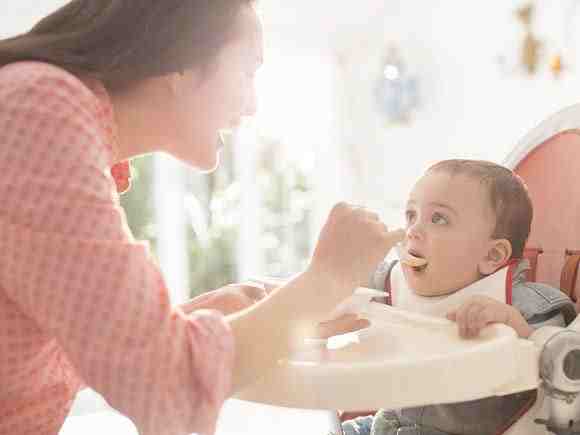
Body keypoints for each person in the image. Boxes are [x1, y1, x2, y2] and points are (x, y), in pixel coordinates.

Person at [0, 2, 405, 435]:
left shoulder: (38, 108)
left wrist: (196, 320)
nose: (251, 105)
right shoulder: (37, 110)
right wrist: (323, 280)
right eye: (248, 72)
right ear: (182, 61)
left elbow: (74, 353)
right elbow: (165, 389)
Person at [317, 160, 576, 435]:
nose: (412, 231)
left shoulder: (525, 307)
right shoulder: (388, 282)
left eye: (438, 218)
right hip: (387, 425)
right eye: (410, 215)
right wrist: (341, 272)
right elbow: (330, 293)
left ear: (492, 255)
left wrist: (517, 332)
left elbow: (562, 378)